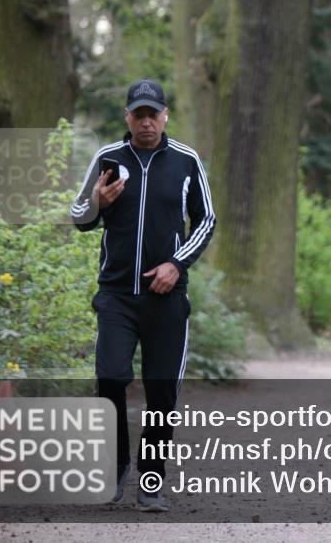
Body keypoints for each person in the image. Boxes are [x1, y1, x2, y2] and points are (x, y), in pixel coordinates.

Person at [70, 79, 215, 512]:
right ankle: (113, 470)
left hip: (167, 301)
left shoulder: (186, 161)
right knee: (111, 378)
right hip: (116, 295)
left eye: (154, 113)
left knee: (162, 395)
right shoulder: (107, 159)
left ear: (165, 116)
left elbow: (205, 220)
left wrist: (176, 263)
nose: (147, 121)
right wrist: (97, 200)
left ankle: (150, 483)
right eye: (139, 114)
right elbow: (78, 216)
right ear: (127, 117)